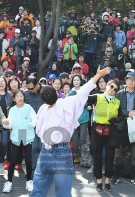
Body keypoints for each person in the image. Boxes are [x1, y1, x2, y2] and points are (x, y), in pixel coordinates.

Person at [30, 66, 111, 197]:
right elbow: (83, 92)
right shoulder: (66, 104)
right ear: (57, 93)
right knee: (63, 192)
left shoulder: (42, 110)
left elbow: (38, 131)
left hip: (45, 150)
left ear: (44, 100)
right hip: (62, 151)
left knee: (38, 190)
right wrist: (96, 76)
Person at [112, 71, 135, 185]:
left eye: (133, 80)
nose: (131, 81)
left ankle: (134, 176)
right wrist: (128, 113)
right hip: (122, 126)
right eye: (129, 79)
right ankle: (116, 176)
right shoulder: (119, 94)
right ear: (126, 81)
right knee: (118, 152)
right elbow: (116, 109)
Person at [86, 79, 122, 191]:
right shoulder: (97, 97)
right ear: (107, 85)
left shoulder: (117, 102)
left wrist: (115, 120)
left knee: (110, 157)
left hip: (111, 131)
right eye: (111, 86)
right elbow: (82, 97)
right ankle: (98, 181)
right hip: (98, 130)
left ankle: (107, 182)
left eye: (115, 89)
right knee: (97, 156)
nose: (112, 90)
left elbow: (121, 116)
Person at [1, 89, 37, 193]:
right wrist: (6, 122)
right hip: (16, 137)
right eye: (17, 97)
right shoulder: (12, 110)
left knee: (29, 161)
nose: (20, 98)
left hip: (27, 136)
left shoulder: (28, 108)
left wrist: (29, 126)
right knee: (13, 161)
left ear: (24, 97)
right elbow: (10, 124)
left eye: (21, 96)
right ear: (14, 99)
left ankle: (29, 181)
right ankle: (9, 182)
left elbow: (35, 119)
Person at [68, 75, 91, 164]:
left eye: (78, 80)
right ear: (72, 82)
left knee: (82, 139)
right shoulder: (70, 93)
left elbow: (88, 102)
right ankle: (76, 156)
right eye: (74, 80)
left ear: (81, 81)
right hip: (74, 119)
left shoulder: (85, 91)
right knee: (74, 139)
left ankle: (83, 156)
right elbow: (69, 105)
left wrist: (83, 104)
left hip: (84, 118)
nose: (76, 81)